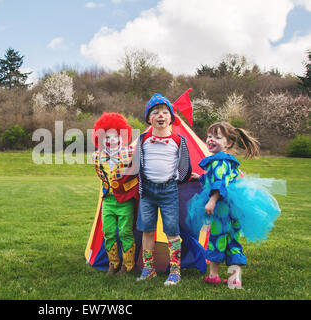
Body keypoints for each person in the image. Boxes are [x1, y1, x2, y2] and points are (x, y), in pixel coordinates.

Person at [187, 122, 282, 289]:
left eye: (217, 137)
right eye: (209, 136)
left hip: (222, 207)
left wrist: (212, 199)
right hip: (234, 208)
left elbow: (219, 181)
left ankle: (213, 275)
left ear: (228, 143)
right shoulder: (228, 161)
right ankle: (234, 279)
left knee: (216, 239)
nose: (210, 140)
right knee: (233, 241)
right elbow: (222, 177)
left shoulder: (217, 161)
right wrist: (200, 178)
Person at [136, 93, 192, 285]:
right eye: (155, 112)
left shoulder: (178, 141)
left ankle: (175, 271)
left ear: (171, 118)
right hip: (147, 192)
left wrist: (182, 178)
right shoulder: (142, 140)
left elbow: (185, 165)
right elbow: (136, 164)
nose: (160, 115)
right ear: (149, 118)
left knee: (171, 230)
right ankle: (148, 268)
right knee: (147, 230)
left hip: (169, 192)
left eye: (165, 112)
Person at [91, 113, 139, 275]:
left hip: (125, 201)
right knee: (109, 232)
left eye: (116, 136)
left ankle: (128, 265)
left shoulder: (129, 154)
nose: (111, 140)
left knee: (125, 232)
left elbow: (136, 175)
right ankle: (113, 263)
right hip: (108, 202)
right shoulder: (97, 157)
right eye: (107, 137)